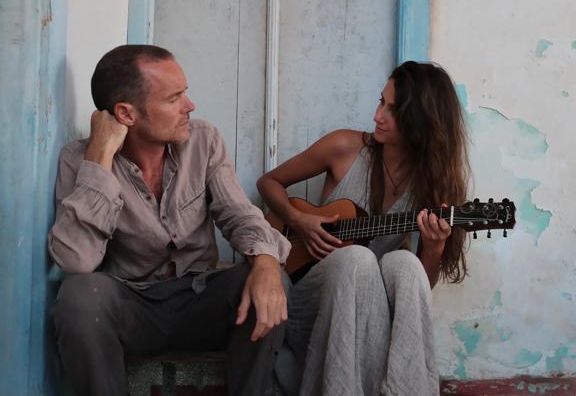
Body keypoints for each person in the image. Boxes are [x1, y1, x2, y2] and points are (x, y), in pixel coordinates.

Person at [48, 45, 291, 396]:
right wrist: (100, 158)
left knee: (271, 279)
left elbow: (239, 214)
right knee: (79, 297)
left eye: (185, 93)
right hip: (134, 308)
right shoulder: (80, 160)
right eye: (174, 98)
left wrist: (267, 262)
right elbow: (76, 260)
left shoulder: (203, 141)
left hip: (201, 298)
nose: (189, 106)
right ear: (126, 114)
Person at [257, 61, 470, 396]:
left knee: (404, 264)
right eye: (379, 102)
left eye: (393, 110)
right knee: (357, 258)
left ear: (421, 121)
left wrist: (434, 247)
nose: (377, 116)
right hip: (313, 302)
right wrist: (297, 219)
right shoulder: (345, 147)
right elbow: (269, 182)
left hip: (372, 318)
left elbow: (418, 292)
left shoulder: (430, 184)